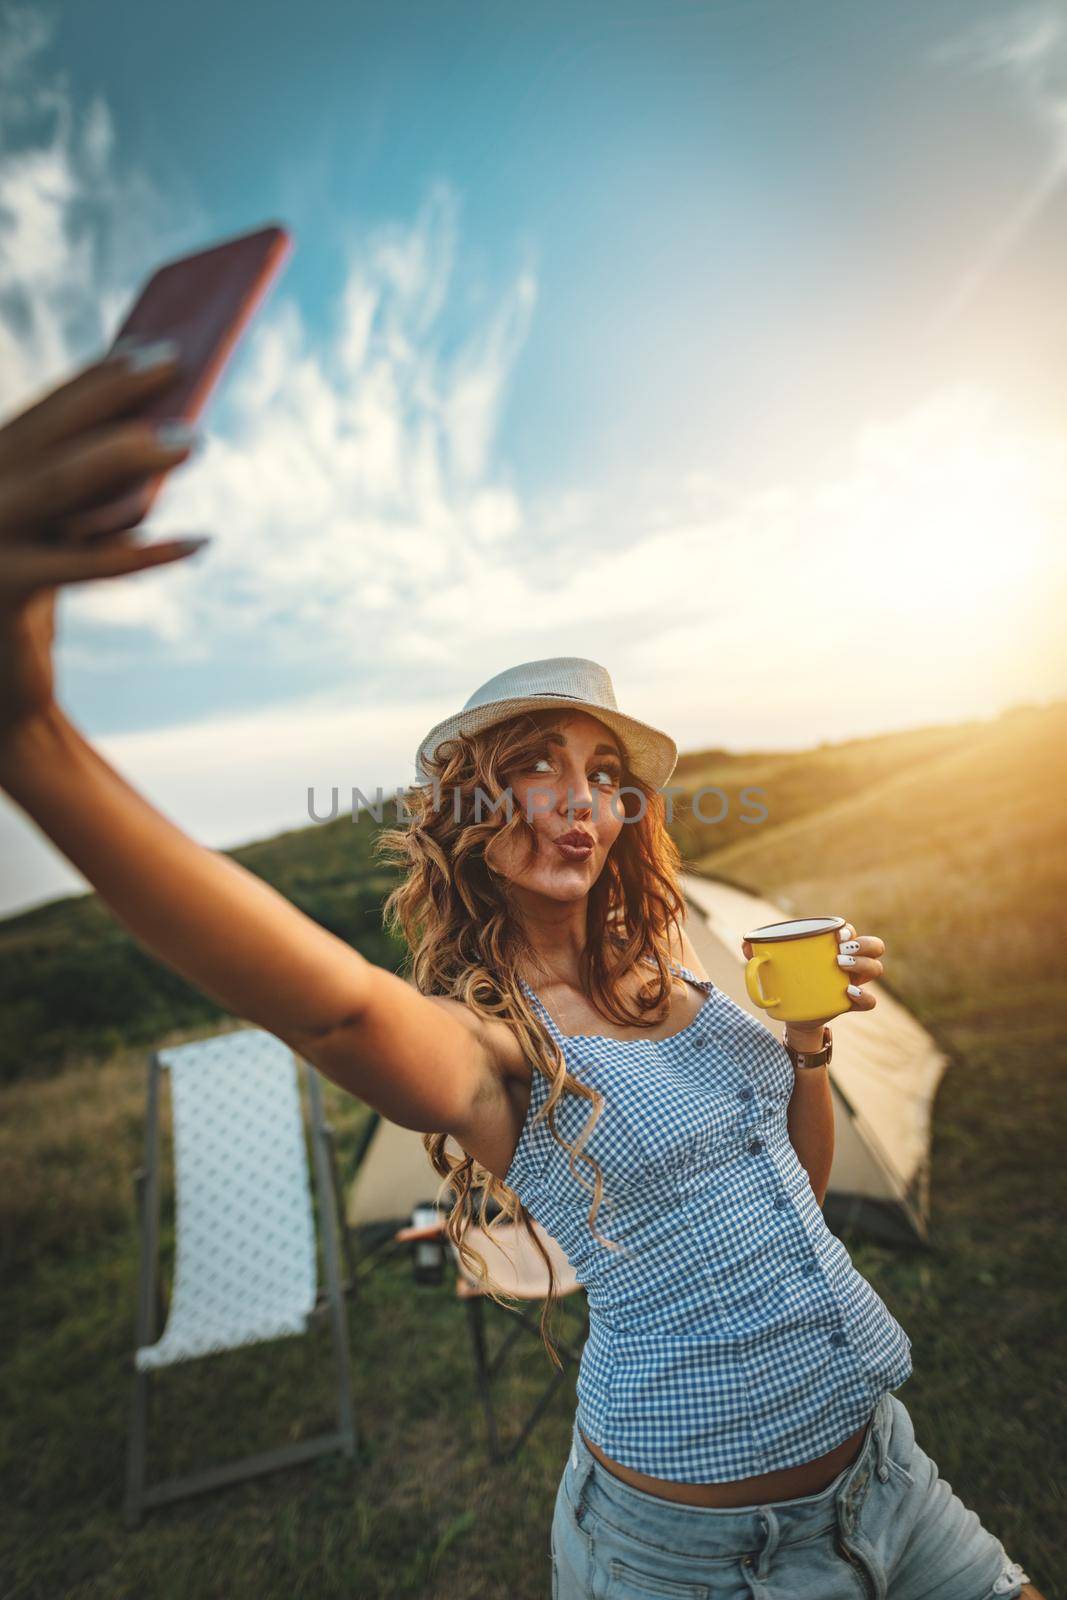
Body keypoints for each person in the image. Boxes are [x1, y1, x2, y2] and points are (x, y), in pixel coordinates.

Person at [0, 344, 1042, 1600]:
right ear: (471, 810)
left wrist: (808, 1044)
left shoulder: (668, 965)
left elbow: (793, 1190)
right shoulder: (492, 1043)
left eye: (605, 777)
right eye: (541, 764)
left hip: (890, 1478)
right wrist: (31, 738)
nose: (584, 802)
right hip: (699, 1561)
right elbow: (331, 1008)